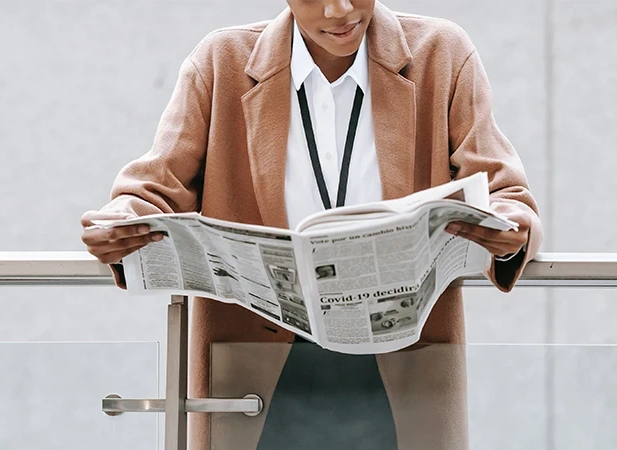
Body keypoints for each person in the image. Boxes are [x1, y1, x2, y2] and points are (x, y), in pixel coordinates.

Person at [80, 1, 542, 448]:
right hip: (254, 381)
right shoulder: (221, 62)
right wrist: (122, 221)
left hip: (407, 373)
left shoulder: (442, 54)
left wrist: (510, 229)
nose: (340, 10)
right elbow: (152, 189)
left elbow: (507, 194)